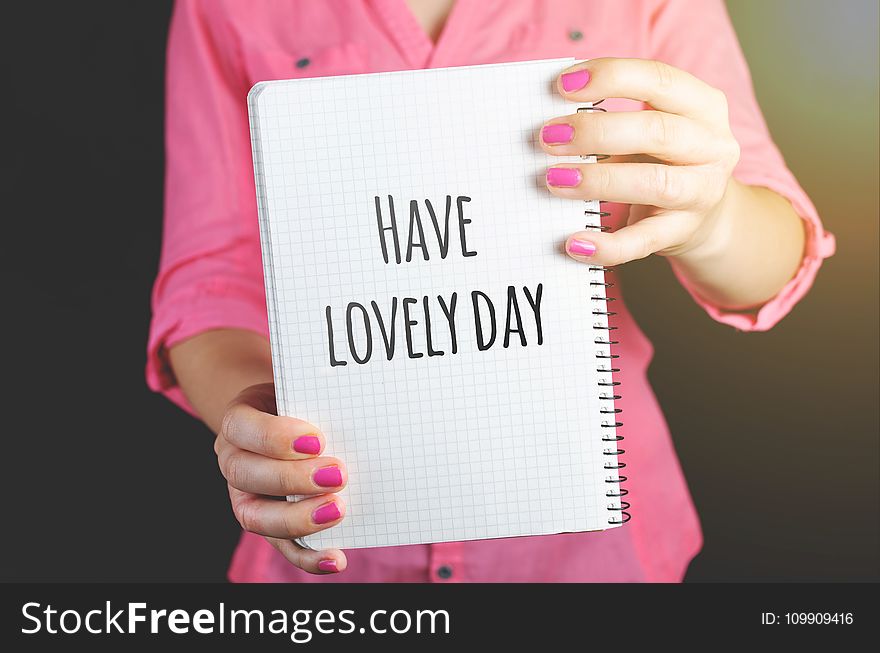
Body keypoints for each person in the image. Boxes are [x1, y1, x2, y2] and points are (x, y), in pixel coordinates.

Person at [148, 0, 835, 582]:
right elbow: (209, 276)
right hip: (339, 541)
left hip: (598, 552)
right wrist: (263, 433)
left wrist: (712, 218)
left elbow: (773, 252)